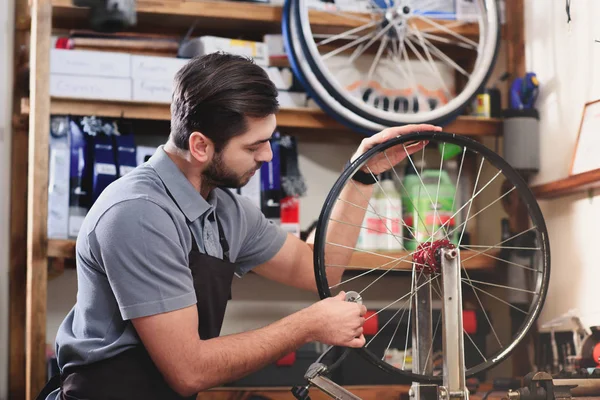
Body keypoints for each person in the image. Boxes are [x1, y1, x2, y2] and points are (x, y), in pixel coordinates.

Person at [40, 52, 441, 400]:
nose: (268, 156)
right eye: (253, 146)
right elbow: (188, 371)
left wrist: (362, 176)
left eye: (269, 140)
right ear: (200, 146)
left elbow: (318, 268)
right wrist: (307, 325)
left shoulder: (224, 207)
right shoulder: (138, 213)